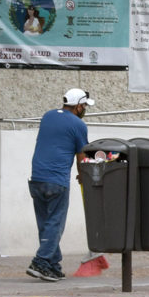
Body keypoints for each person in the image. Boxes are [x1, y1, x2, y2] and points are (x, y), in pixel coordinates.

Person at [27, 88, 95, 282]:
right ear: (79, 106)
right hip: (56, 181)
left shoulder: (47, 116)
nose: (84, 110)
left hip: (36, 178)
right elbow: (82, 155)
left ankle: (52, 265)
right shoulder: (78, 125)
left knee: (45, 224)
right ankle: (40, 262)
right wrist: (83, 176)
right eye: (84, 106)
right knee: (55, 223)